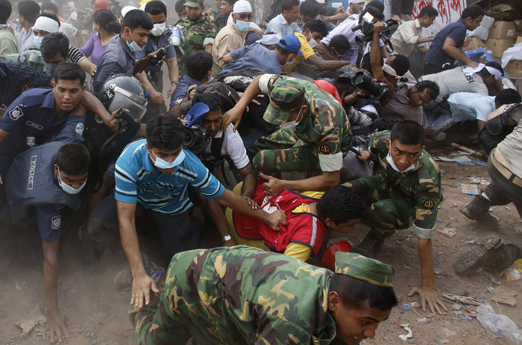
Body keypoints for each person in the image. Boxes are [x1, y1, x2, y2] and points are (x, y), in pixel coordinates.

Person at [112, 114, 286, 306]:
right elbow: (125, 219)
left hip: (171, 209)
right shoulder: (128, 161)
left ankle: (196, 218)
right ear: (148, 148)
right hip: (136, 204)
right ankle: (130, 264)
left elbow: (224, 196)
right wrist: (138, 274)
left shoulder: (191, 164)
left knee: (180, 265)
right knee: (100, 225)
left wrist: (267, 217)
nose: (170, 162)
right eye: (162, 155)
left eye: (175, 153)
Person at [131, 247, 397, 345]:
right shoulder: (292, 321)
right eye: (366, 322)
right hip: (193, 279)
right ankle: (146, 297)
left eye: (376, 323)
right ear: (335, 301)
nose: (371, 334)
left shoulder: (331, 289)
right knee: (156, 341)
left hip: (233, 291)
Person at [346, 121, 446, 314]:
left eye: (412, 154)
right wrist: (371, 156)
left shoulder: (428, 180)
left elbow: (424, 239)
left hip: (408, 203)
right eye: (398, 152)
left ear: (421, 150)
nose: (403, 160)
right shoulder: (380, 140)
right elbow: (375, 150)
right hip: (387, 183)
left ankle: (377, 235)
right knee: (348, 190)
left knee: (381, 210)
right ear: (390, 144)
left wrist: (428, 286)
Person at [0, 63, 117, 193]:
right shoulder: (29, 100)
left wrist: (107, 118)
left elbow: (88, 99)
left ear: (82, 89)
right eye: (61, 90)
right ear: (53, 84)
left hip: (47, 163)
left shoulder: (82, 106)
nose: (67, 97)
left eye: (73, 91)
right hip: (13, 154)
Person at [4, 141, 91, 342]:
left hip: (28, 160)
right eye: (69, 181)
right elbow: (50, 257)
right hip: (18, 189)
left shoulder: (71, 144)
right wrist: (52, 312)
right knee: (39, 250)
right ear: (56, 169)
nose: (76, 186)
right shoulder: (48, 203)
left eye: (81, 180)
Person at [224, 74, 351, 192]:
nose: (281, 122)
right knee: (257, 145)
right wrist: (239, 107)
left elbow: (331, 179)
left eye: (285, 118)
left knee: (261, 160)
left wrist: (284, 185)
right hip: (300, 129)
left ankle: (266, 192)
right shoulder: (288, 88)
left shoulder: (326, 127)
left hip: (320, 147)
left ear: (303, 110)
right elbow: (258, 80)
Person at [226, 184, 364, 262]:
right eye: (351, 225)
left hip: (240, 193)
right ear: (329, 222)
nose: (356, 227)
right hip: (240, 228)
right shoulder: (308, 237)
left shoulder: (317, 195)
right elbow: (284, 269)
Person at [461, 101, 522, 224]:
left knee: (508, 182)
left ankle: (477, 206)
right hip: (516, 180)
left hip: (496, 160)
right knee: (513, 183)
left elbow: (492, 116)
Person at [188, 93, 256, 197]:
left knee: (228, 196)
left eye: (217, 120)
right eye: (206, 121)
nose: (213, 127)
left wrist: (245, 199)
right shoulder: (185, 128)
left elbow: (247, 173)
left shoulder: (230, 135)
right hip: (189, 167)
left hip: (217, 163)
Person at [94, 9, 154, 92]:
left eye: (147, 36)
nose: (145, 40)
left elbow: (127, 71)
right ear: (126, 31)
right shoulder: (114, 60)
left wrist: (144, 61)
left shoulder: (123, 41)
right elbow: (100, 91)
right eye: (142, 35)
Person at [422, 5, 485, 75]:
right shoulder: (460, 28)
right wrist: (469, 62)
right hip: (435, 66)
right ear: (469, 19)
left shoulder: (456, 25)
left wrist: (468, 61)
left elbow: (458, 50)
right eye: (477, 22)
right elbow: (448, 46)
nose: (478, 25)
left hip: (431, 63)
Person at [211, 0, 258, 76]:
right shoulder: (229, 34)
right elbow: (223, 63)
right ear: (233, 16)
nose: (246, 19)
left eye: (249, 16)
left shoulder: (240, 31)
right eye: (242, 16)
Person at [143, 0, 179, 97]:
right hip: (140, 79)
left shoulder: (166, 34)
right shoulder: (140, 35)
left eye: (161, 22)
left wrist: (174, 84)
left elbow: (172, 62)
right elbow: (136, 67)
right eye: (153, 22)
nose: (157, 26)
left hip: (156, 77)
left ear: (166, 17)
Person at [220, 33, 303, 75]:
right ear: (291, 55)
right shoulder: (275, 72)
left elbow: (226, 58)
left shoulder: (255, 46)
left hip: (222, 78)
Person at [422, 61, 503, 103]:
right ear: (491, 76)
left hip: (422, 80)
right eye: (494, 80)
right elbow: (485, 104)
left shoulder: (468, 66)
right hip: (430, 97)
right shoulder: (480, 86)